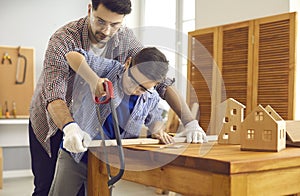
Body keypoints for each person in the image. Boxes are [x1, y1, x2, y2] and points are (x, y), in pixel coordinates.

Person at [29, 0, 207, 195]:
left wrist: (190, 123)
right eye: (100, 21)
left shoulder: (125, 39)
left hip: (92, 132)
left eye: (115, 25)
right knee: (45, 187)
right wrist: (71, 125)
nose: (106, 31)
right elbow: (54, 94)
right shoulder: (64, 39)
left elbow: (158, 80)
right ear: (90, 10)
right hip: (52, 118)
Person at [49, 47, 174, 195]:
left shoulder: (151, 97)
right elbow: (71, 56)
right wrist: (93, 80)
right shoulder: (110, 69)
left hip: (106, 161)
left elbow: (155, 120)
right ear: (128, 63)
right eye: (133, 80)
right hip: (77, 155)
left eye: (142, 89)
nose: (134, 89)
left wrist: (158, 131)